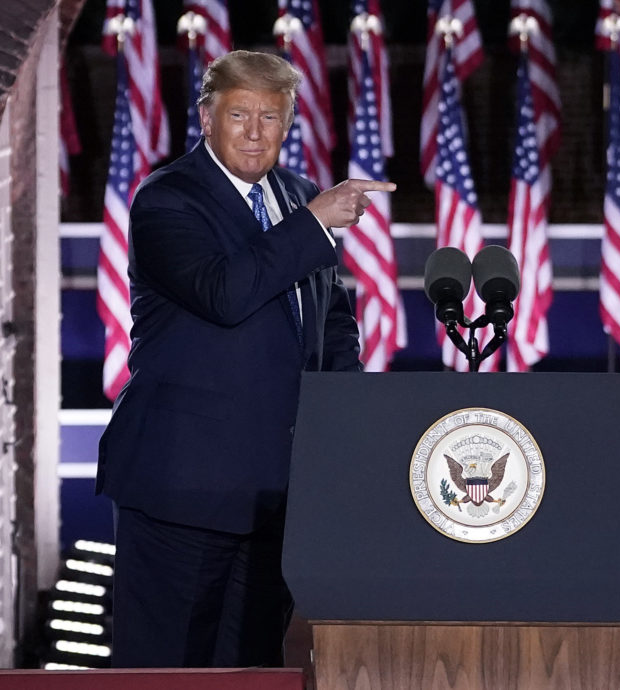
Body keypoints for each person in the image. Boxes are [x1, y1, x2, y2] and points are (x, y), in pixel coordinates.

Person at [95, 50, 395, 668]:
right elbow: (224, 293)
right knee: (166, 674)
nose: (256, 131)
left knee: (252, 671)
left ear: (288, 126)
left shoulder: (296, 195)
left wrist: (345, 417)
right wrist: (314, 224)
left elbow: (331, 322)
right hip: (180, 491)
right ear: (207, 118)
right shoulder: (168, 198)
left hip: (274, 496)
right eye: (239, 115)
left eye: (271, 117)